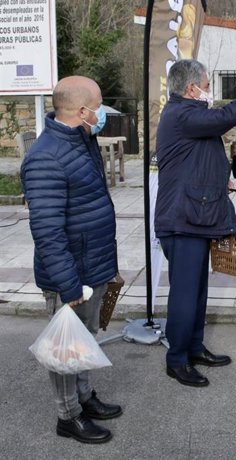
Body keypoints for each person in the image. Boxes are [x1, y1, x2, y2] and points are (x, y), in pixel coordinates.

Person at [155, 59, 236, 387]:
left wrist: (217, 178)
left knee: (196, 290)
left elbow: (198, 156)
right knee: (184, 293)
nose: (210, 92)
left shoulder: (187, 115)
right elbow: (225, 118)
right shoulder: (182, 114)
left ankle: (194, 348)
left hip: (193, 216)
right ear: (191, 89)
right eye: (208, 86)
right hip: (181, 221)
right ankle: (177, 359)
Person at [21, 76, 122, 444]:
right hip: (70, 275)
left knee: (85, 339)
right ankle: (68, 416)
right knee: (66, 349)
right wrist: (66, 283)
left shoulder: (82, 140)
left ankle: (84, 397)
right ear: (82, 111)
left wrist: (107, 268)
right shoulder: (46, 156)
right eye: (99, 106)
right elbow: (47, 231)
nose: (103, 113)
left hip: (92, 265)